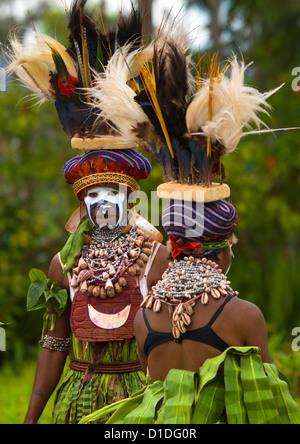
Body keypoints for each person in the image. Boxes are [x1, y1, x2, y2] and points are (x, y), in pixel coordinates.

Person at [81, 199, 300, 424]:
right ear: (218, 256)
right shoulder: (245, 316)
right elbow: (268, 399)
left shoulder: (143, 317)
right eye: (230, 248)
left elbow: (151, 385)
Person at [24, 149, 169, 424]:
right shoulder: (64, 263)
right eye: (92, 195)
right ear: (82, 203)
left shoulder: (157, 258)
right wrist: (30, 419)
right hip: (79, 401)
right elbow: (55, 345)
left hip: (140, 401)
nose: (102, 201)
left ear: (129, 196)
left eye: (112, 191)